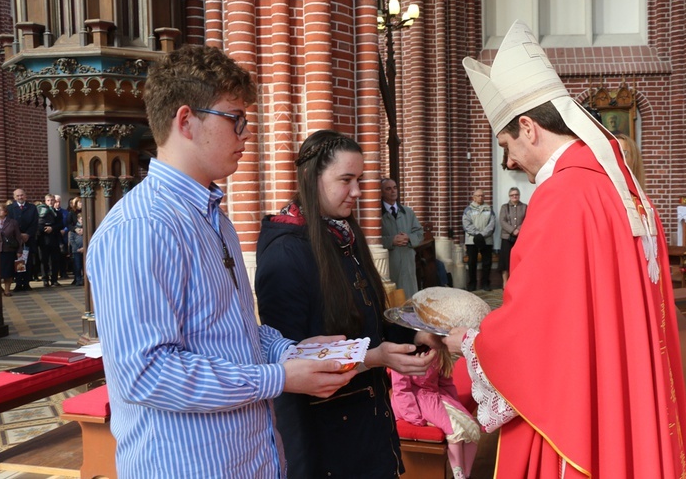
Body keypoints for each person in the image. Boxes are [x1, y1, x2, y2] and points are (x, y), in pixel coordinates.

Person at [86, 44, 357, 478]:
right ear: (186, 120)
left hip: (248, 458)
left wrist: (289, 351)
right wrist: (280, 378)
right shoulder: (142, 227)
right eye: (236, 119)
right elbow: (148, 373)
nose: (246, 133)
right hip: (189, 465)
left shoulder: (215, 217)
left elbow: (233, 331)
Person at [457, 20, 686, 477]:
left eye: (506, 145)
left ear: (528, 127)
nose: (508, 161)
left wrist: (470, 347)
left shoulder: (563, 195)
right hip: (625, 390)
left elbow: (534, 325)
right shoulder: (619, 186)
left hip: (579, 404)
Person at [255, 129, 440, 478]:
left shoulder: (342, 236)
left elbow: (367, 322)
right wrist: (376, 358)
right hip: (326, 442)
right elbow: (290, 361)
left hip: (367, 425)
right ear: (312, 177)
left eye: (359, 179)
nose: (357, 191)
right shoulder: (285, 252)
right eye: (346, 180)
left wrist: (417, 337)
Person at [390, 349, 481, 479]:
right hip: (417, 402)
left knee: (473, 428)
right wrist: (414, 417)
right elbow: (401, 389)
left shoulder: (438, 351)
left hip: (437, 397)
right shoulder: (403, 353)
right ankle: (458, 476)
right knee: (456, 430)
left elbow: (445, 382)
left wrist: (456, 405)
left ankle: (466, 475)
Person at [381, 177, 424, 298]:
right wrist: (391, 240)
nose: (393, 191)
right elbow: (371, 240)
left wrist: (409, 238)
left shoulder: (407, 212)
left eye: (395, 188)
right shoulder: (376, 214)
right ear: (381, 192)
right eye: (388, 189)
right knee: (392, 299)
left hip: (407, 261)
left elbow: (420, 234)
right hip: (389, 262)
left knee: (409, 297)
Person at [462, 189, 495, 291]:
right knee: (472, 263)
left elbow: (492, 224)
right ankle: (472, 284)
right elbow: (466, 224)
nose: (480, 197)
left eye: (482, 195)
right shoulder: (468, 210)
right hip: (472, 240)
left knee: (487, 262)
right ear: (474, 197)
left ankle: (485, 283)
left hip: (487, 240)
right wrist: (476, 234)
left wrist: (482, 235)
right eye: (478, 196)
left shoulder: (489, 209)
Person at [7, 188, 38, 292]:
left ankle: (26, 283)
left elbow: (35, 223)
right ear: (14, 197)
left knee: (28, 261)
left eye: (21, 195)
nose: (20, 197)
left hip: (28, 239)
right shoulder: (10, 208)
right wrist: (18, 235)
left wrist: (28, 234)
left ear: (25, 196)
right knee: (18, 261)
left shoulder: (32, 208)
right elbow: (9, 223)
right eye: (17, 196)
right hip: (15, 240)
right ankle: (18, 283)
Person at [0, 203, 23, 296]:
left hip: (8, 250)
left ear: (5, 212)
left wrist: (19, 251)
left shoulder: (12, 222)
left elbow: (18, 237)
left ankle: (7, 290)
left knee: (8, 272)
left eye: (1, 210)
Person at [497, 187, 526, 289]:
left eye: (516, 195)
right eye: (512, 195)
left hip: (520, 238)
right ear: (509, 196)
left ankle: (517, 282)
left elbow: (527, 220)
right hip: (506, 238)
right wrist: (513, 230)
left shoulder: (524, 207)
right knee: (505, 261)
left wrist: (519, 230)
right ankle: (505, 282)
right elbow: (502, 221)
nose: (514, 196)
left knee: (518, 260)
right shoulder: (504, 207)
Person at [37, 194, 63, 287]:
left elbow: (60, 224)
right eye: (48, 200)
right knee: (44, 260)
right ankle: (45, 279)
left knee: (55, 260)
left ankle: (54, 279)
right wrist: (45, 228)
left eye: (52, 200)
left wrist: (52, 228)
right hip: (43, 239)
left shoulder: (57, 213)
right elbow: (38, 223)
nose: (50, 202)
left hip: (54, 238)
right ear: (45, 201)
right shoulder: (40, 212)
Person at [69, 214, 85, 286]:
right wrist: (77, 249)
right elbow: (71, 240)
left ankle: (84, 280)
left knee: (85, 266)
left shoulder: (87, 227)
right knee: (77, 266)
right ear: (78, 219)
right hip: (76, 251)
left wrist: (85, 247)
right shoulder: (74, 229)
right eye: (81, 219)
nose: (82, 221)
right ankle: (78, 280)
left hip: (85, 249)